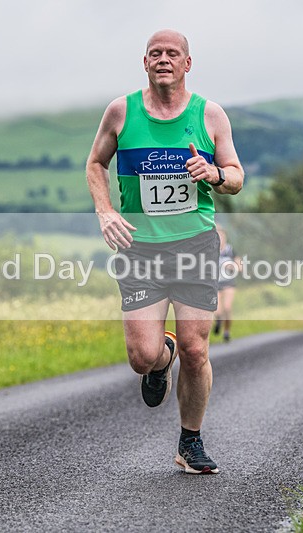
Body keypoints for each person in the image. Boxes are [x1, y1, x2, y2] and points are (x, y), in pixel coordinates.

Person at [85, 29, 244, 474]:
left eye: (172, 53)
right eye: (155, 53)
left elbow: (236, 176)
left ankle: (189, 442)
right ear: (145, 62)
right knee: (141, 357)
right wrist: (105, 211)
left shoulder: (209, 115)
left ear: (187, 64)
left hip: (194, 245)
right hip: (140, 249)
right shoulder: (121, 112)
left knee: (198, 350)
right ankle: (162, 355)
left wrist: (212, 172)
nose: (163, 59)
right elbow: (95, 163)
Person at [214, 227, 241, 343]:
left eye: (222, 236)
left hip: (229, 282)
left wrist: (230, 266)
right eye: (218, 236)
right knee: (217, 311)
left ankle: (226, 332)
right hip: (216, 283)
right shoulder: (212, 250)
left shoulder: (231, 250)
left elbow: (240, 267)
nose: (220, 239)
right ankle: (219, 321)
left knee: (227, 308)